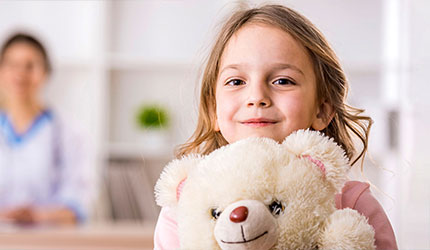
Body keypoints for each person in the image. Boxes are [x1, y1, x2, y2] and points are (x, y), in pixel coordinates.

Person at [154, 4, 397, 250]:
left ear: (322, 110)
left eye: (282, 81)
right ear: (213, 110)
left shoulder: (354, 207)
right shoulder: (187, 207)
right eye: (236, 81)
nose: (257, 96)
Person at [0, 33, 91, 226]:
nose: (20, 74)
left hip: (52, 243)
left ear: (46, 73)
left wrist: (36, 217)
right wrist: (8, 216)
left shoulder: (71, 133)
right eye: (11, 65)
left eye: (30, 66)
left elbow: (78, 203)